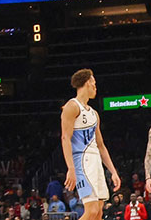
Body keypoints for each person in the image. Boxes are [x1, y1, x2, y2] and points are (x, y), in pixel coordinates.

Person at [62, 69, 121, 220]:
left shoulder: (94, 114)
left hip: (95, 161)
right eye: (94, 84)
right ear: (88, 82)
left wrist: (113, 171)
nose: (96, 87)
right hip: (82, 160)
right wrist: (71, 168)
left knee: (99, 212)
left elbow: (101, 146)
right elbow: (65, 138)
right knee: (92, 211)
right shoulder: (72, 106)